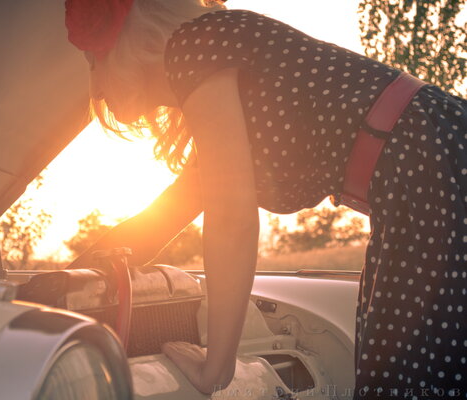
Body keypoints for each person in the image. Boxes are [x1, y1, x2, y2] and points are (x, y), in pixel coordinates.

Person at [64, 0, 467, 397]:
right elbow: (163, 218)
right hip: (431, 167)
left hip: (432, 167)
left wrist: (215, 368)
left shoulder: (194, 45)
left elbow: (231, 218)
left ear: (132, 40)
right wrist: (57, 287)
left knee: (407, 378)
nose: (95, 87)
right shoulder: (213, 69)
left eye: (92, 61)